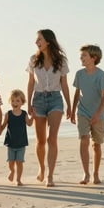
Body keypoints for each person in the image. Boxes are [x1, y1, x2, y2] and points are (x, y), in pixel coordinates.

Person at [27, 29, 71, 187]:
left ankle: (50, 176)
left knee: (51, 139)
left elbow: (64, 85)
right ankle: (41, 168)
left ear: (48, 41)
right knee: (40, 141)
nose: (36, 42)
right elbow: (31, 83)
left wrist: (69, 105)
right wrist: (29, 104)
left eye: (39, 39)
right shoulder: (33, 60)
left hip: (55, 100)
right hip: (38, 100)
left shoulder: (61, 61)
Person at [71, 44, 104, 185]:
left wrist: (97, 114)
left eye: (84, 55)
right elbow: (77, 94)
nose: (81, 58)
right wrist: (72, 110)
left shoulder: (101, 75)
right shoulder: (79, 74)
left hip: (98, 114)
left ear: (94, 58)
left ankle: (96, 173)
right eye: (81, 55)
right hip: (82, 112)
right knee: (84, 139)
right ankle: (86, 174)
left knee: (96, 145)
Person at [0, 89, 34, 186]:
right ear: (10, 102)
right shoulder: (8, 114)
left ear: (22, 102)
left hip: (21, 143)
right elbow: (3, 125)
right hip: (10, 143)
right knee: (10, 162)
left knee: (19, 162)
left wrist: (33, 116)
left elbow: (29, 124)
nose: (15, 103)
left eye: (18, 100)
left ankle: (18, 179)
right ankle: (12, 171)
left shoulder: (24, 114)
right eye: (13, 100)